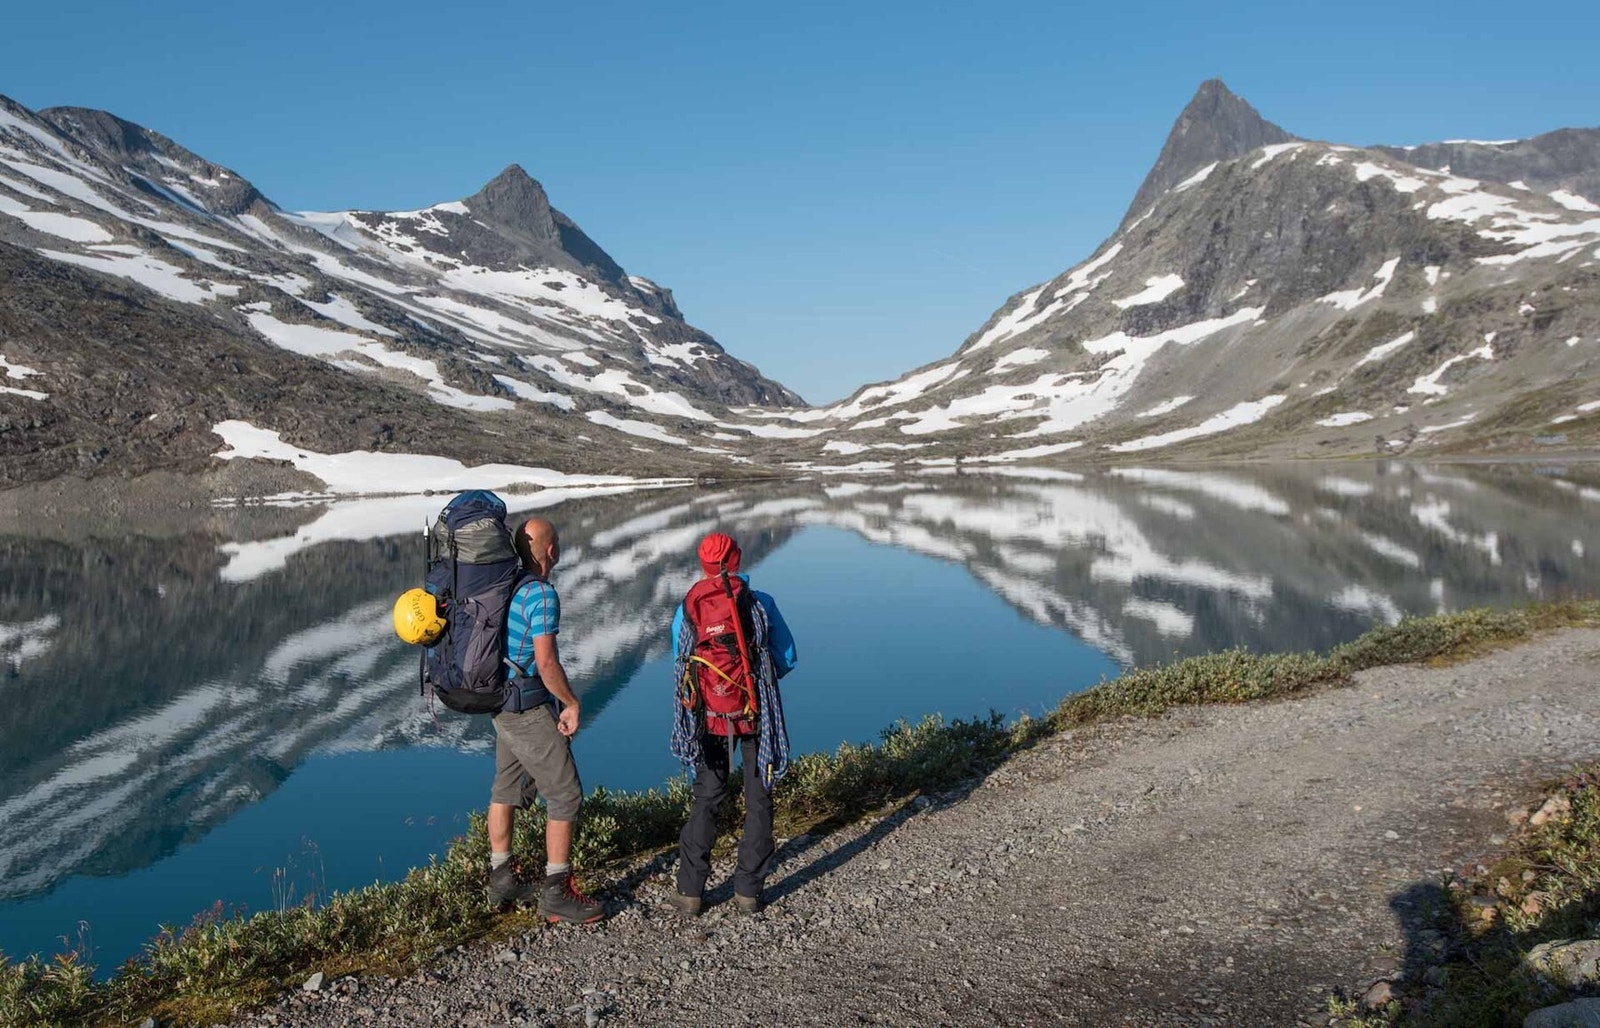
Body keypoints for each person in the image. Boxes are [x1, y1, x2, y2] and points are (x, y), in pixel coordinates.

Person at [668, 532, 797, 917]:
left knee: (707, 795)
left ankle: (690, 892)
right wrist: (753, 683)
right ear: (738, 558)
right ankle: (748, 892)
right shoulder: (761, 604)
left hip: (708, 716)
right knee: (759, 796)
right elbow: (786, 657)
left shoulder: (688, 608)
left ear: (703, 564)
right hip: (756, 713)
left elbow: (681, 660)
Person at [485, 517, 602, 923]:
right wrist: (570, 702)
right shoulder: (541, 595)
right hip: (526, 708)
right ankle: (557, 892)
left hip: (499, 702)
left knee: (507, 787)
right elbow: (546, 662)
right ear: (550, 551)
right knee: (566, 794)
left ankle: (501, 879)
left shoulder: (504, 587)